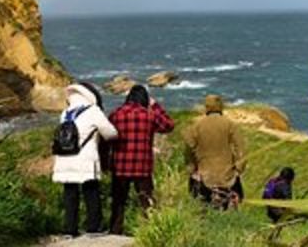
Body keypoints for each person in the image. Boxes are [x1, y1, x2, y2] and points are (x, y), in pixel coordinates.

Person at [52, 82, 118, 237]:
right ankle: (94, 227)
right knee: (91, 191)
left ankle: (70, 229)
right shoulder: (93, 111)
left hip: (64, 158)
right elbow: (110, 133)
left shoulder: (65, 113)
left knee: (70, 193)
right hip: (85, 158)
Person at [108, 85, 174, 235]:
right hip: (142, 165)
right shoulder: (149, 115)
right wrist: (155, 105)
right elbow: (169, 125)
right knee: (146, 201)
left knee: (118, 202)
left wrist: (107, 162)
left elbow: (106, 137)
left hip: (120, 165)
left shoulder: (116, 114)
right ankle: (150, 231)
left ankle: (115, 232)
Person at [184, 94, 245, 210]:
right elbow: (240, 148)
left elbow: (189, 148)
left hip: (204, 176)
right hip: (228, 177)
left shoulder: (196, 126)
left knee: (201, 206)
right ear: (221, 107)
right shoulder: (230, 125)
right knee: (236, 201)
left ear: (206, 107)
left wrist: (192, 169)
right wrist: (239, 168)